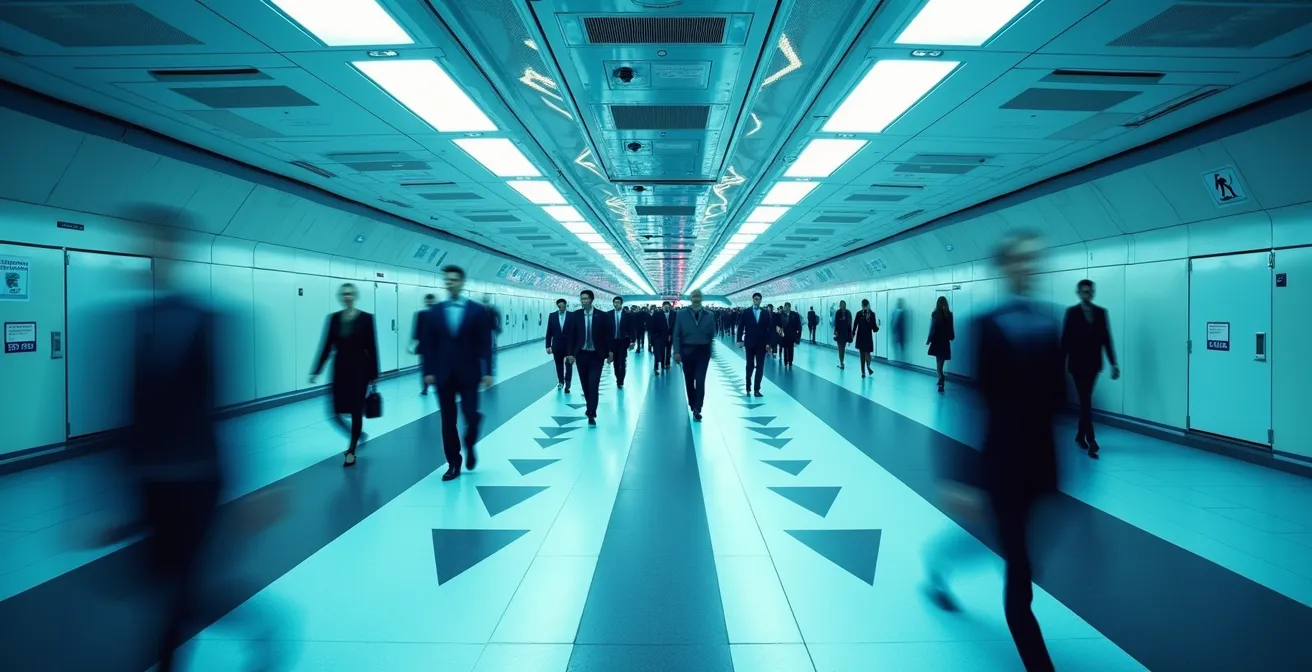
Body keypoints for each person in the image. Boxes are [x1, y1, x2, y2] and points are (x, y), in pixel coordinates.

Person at [971, 230, 1064, 671]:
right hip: (1003, 466)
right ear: (1005, 267)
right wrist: (964, 476)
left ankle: (946, 561)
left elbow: (1058, 398)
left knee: (1022, 559)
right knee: (1020, 573)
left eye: (1035, 258)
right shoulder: (986, 325)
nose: (1030, 266)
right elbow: (976, 405)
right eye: (1021, 259)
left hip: (1041, 466)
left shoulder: (1049, 322)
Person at [421, 266, 495, 482]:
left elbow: (485, 343)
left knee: (471, 414)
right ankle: (453, 462)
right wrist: (428, 371)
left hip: (469, 372)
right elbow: (428, 344)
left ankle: (470, 443)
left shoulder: (476, 311)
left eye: (453, 280)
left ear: (462, 282)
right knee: (448, 420)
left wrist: (488, 371)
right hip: (443, 374)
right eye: (447, 280)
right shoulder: (436, 311)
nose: (449, 283)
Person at [310, 283, 380, 467]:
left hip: (360, 370)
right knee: (334, 411)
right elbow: (326, 345)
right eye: (344, 294)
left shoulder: (366, 318)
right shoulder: (334, 319)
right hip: (340, 369)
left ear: (355, 296)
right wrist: (317, 369)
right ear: (341, 297)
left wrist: (374, 374)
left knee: (356, 410)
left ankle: (352, 450)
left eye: (350, 293)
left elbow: (372, 347)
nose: (347, 296)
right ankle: (357, 434)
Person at [1061, 279, 1120, 459]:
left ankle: (1080, 435)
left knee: (1085, 401)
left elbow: (1106, 339)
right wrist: (1058, 365)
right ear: (1079, 293)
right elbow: (1065, 340)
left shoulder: (1101, 313)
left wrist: (1113, 363)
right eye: (1084, 291)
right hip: (1077, 365)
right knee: (1085, 400)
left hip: (1094, 365)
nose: (1088, 294)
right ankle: (1091, 440)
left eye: (1090, 291)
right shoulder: (1072, 313)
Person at [565, 289, 613, 425]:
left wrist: (610, 351)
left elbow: (608, 335)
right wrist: (570, 354)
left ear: (591, 300)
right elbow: (572, 336)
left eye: (585, 298)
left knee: (594, 383)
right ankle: (589, 405)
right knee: (585, 384)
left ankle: (592, 411)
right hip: (581, 354)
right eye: (581, 299)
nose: (583, 301)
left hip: (597, 355)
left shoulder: (602, 316)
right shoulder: (576, 315)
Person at [673, 289, 717, 420]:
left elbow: (712, 335)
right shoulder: (681, 315)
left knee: (700, 379)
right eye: (694, 297)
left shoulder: (709, 315)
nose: (696, 299)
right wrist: (676, 352)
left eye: (698, 296)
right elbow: (676, 334)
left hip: (703, 352)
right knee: (689, 379)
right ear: (691, 299)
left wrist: (711, 351)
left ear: (701, 298)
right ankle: (692, 403)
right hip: (687, 351)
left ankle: (698, 408)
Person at [737, 292, 774, 397]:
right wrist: (739, 339)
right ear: (753, 300)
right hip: (749, 343)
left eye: (759, 299)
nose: (757, 301)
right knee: (750, 365)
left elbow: (769, 328)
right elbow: (741, 326)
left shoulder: (765, 313)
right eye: (756, 299)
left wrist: (769, 343)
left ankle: (757, 389)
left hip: (761, 344)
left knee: (760, 366)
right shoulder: (746, 312)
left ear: (761, 300)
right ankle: (748, 385)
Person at [545, 297, 573, 392]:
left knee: (569, 364)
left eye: (562, 305)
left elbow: (575, 331)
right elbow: (549, 331)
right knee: (558, 364)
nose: (560, 307)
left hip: (569, 345)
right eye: (559, 305)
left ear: (565, 305)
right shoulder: (552, 316)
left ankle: (568, 383)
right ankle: (561, 381)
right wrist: (548, 345)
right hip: (557, 344)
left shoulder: (571, 315)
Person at [928, 296, 955, 392]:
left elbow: (932, 328)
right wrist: (952, 336)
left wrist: (929, 340)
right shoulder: (949, 315)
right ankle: (940, 379)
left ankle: (941, 379)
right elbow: (951, 328)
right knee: (940, 363)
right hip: (944, 341)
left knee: (938, 363)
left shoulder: (935, 314)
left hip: (936, 341)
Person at [412, 293, 437, 395]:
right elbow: (417, 330)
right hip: (429, 346)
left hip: (428, 346)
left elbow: (416, 332)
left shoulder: (421, 314)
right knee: (427, 367)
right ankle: (427, 387)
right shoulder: (436, 314)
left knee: (426, 367)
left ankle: (426, 387)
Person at [609, 296, 635, 389]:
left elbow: (632, 328)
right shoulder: (609, 314)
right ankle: (617, 378)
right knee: (615, 362)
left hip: (623, 342)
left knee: (622, 361)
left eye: (618, 302)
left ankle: (621, 380)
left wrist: (633, 341)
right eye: (615, 302)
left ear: (621, 304)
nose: (616, 304)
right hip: (613, 342)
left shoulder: (627, 315)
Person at [854, 298, 879, 378]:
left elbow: (874, 328)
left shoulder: (872, 314)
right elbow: (855, 324)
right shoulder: (859, 314)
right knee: (862, 355)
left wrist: (877, 327)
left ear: (868, 305)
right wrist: (853, 333)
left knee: (868, 354)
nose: (864, 308)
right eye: (863, 306)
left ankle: (868, 366)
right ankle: (863, 372)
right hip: (860, 336)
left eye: (865, 306)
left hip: (868, 336)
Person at [649, 300, 674, 375]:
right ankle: (659, 365)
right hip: (659, 336)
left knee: (668, 350)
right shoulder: (657, 314)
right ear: (663, 307)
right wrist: (653, 336)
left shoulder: (673, 314)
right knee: (660, 351)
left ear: (670, 307)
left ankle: (667, 364)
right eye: (665, 306)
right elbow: (653, 325)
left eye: (668, 306)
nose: (666, 307)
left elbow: (674, 324)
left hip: (670, 335)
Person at [778, 302, 802, 368]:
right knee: (785, 348)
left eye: (788, 307)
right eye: (785, 307)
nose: (786, 308)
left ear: (790, 307)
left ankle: (790, 361)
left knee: (790, 348)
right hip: (783, 335)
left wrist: (798, 337)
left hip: (791, 335)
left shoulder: (795, 315)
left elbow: (798, 325)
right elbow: (779, 325)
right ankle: (786, 361)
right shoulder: (781, 315)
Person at [833, 300, 853, 370]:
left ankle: (841, 362)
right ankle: (841, 362)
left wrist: (836, 331)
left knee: (841, 348)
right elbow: (849, 323)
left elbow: (837, 322)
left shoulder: (842, 312)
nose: (842, 306)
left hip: (842, 333)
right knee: (841, 348)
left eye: (842, 304)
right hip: (843, 333)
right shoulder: (845, 312)